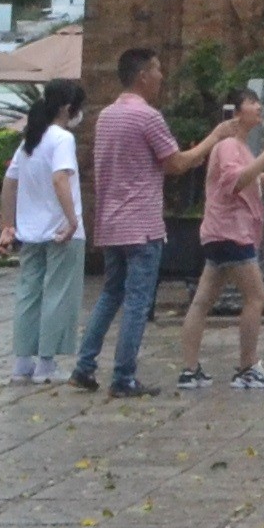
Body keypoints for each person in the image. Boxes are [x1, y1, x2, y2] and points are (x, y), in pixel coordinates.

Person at [75, 46, 181, 398]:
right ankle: (123, 375)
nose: (161, 77)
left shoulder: (106, 116)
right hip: (142, 223)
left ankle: (85, 365)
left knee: (110, 294)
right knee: (137, 301)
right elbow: (175, 163)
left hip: (111, 221)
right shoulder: (148, 117)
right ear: (142, 76)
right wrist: (215, 138)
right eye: (157, 70)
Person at [183, 86, 264, 389]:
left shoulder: (237, 147)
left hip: (221, 231)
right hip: (231, 232)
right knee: (256, 296)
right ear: (236, 112)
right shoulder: (229, 144)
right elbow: (235, 182)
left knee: (202, 301)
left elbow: (243, 178)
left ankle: (189, 370)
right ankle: (247, 367)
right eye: (251, 102)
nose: (258, 107)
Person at [0, 86, 85, 384]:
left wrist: (8, 224)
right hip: (61, 230)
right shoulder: (63, 139)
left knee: (29, 292)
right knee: (58, 293)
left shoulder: (29, 141)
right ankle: (46, 363)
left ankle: (22, 361)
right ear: (67, 108)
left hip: (30, 230)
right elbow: (60, 178)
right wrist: (72, 220)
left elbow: (9, 183)